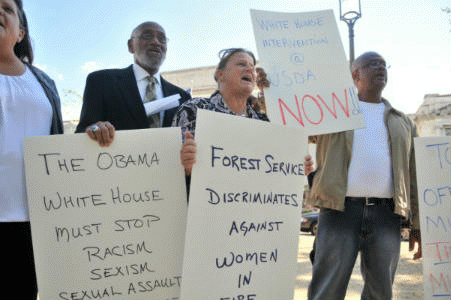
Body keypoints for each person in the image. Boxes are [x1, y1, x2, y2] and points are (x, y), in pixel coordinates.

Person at [306, 51, 421, 300]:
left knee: (381, 292)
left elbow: (414, 177)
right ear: (355, 74)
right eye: (372, 64)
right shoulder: (332, 112)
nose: (380, 68)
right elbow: (292, 119)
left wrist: (417, 225)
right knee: (327, 289)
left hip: (386, 216)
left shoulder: (403, 122)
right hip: (338, 211)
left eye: (383, 65)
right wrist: (267, 92)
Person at [0, 0, 64, 298]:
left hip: (34, 226)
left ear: (21, 32)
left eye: (6, 8)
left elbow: (60, 144)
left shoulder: (44, 83)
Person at [172, 47, 313, 177]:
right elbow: (171, 167)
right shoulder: (193, 110)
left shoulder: (263, 122)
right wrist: (185, 164)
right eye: (241, 64)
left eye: (252, 67)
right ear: (220, 75)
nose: (250, 70)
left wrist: (297, 169)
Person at [75, 21, 191, 146]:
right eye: (147, 36)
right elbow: (83, 132)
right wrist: (95, 130)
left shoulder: (183, 97)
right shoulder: (101, 81)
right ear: (131, 46)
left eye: (162, 39)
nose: (156, 42)